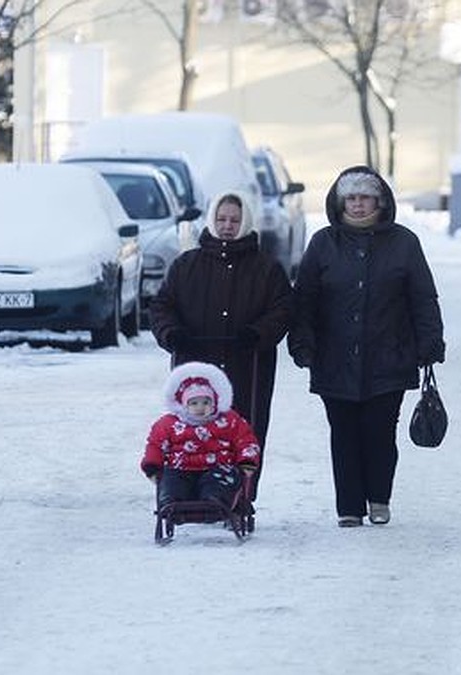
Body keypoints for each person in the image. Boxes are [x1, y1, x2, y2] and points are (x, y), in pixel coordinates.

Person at [288, 166, 445, 528]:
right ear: (341, 201)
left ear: (380, 200)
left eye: (365, 197)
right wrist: (302, 342)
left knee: (379, 431)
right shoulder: (324, 243)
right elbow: (305, 299)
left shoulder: (404, 243)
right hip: (333, 357)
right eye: (352, 198)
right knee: (342, 432)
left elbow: (423, 297)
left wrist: (429, 341)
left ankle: (378, 497)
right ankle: (349, 507)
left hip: (389, 355)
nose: (358, 205)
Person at [149, 189, 291, 495]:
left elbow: (282, 309)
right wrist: (171, 333)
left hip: (247, 363)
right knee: (192, 429)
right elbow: (162, 306)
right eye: (222, 219)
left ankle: (241, 494)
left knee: (243, 430)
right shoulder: (186, 265)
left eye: (235, 220)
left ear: (246, 223)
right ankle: (185, 493)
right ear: (212, 219)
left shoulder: (266, 268)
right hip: (196, 365)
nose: (228, 225)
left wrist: (258, 333)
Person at [140, 361, 260, 510]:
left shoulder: (229, 420)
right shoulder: (169, 424)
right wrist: (152, 466)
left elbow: (245, 440)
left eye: (206, 402)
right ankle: (171, 501)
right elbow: (155, 445)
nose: (200, 408)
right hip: (180, 468)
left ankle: (215, 501)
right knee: (171, 480)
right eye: (194, 403)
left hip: (217, 467)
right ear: (183, 404)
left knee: (222, 480)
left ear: (215, 402)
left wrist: (247, 461)